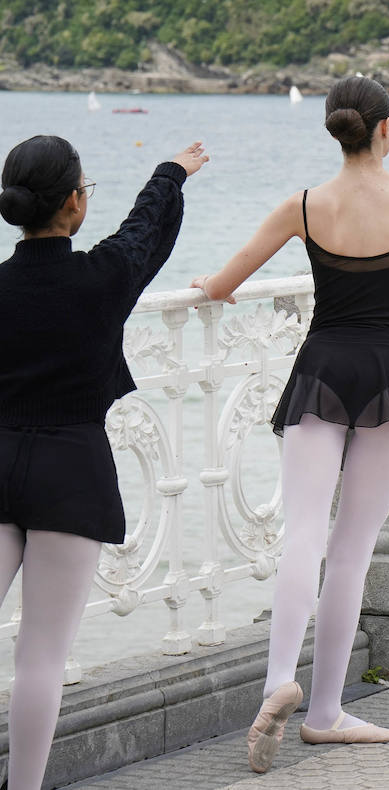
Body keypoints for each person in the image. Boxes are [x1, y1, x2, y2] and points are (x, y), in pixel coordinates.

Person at [191, 76, 389, 772]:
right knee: (352, 548)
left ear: (336, 130)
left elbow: (226, 280)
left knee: (303, 532)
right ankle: (325, 711)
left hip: (323, 368)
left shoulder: (304, 206)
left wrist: (203, 291)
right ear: (386, 130)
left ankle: (279, 684)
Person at [0, 136, 208, 790]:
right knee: (40, 658)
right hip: (71, 474)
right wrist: (171, 172)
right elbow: (146, 232)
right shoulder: (102, 277)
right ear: (73, 204)